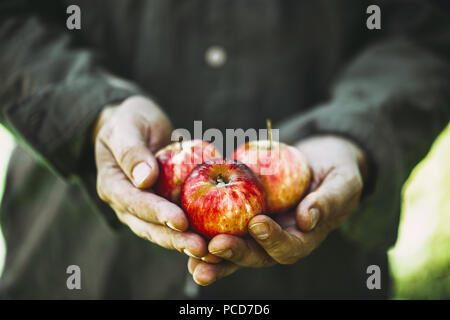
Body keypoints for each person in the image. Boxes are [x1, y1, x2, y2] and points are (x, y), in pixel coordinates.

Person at [0, 0, 449, 299]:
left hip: (317, 270)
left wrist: (352, 134)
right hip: (77, 259)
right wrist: (93, 113)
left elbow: (429, 28)